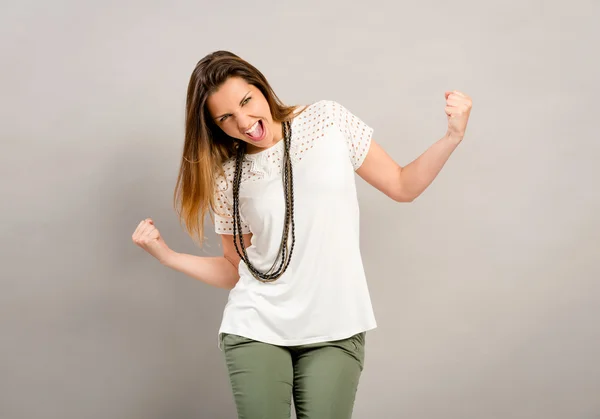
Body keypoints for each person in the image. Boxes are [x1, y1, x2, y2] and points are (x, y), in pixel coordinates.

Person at [131, 50, 472, 419]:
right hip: (256, 326)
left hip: (336, 325)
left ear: (261, 88)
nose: (244, 123)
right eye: (226, 118)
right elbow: (236, 270)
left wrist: (452, 137)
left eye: (246, 102)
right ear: (215, 126)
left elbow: (402, 186)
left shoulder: (326, 119)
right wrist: (168, 256)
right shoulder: (228, 176)